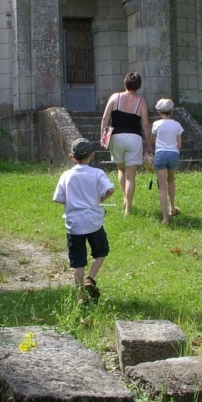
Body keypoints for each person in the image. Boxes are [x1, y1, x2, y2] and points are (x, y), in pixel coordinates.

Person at [53, 138, 115, 304]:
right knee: (101, 251)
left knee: (78, 262)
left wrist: (70, 201)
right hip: (93, 221)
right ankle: (91, 278)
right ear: (92, 155)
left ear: (72, 156)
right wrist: (100, 199)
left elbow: (58, 198)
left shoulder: (66, 175)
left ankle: (81, 297)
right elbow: (110, 188)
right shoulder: (97, 173)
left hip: (74, 224)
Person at [100, 72, 152, 215]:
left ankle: (124, 198)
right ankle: (128, 208)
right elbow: (146, 125)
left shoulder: (114, 98)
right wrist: (149, 144)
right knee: (131, 176)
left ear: (125, 84)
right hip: (134, 138)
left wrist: (102, 136)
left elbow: (105, 118)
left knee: (121, 169)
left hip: (116, 136)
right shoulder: (141, 102)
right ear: (139, 86)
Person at [151, 99, 184, 225]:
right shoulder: (177, 125)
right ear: (171, 111)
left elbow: (152, 139)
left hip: (160, 154)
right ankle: (172, 207)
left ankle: (165, 218)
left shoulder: (156, 124)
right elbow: (179, 145)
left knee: (162, 187)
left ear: (159, 111)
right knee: (171, 180)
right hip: (173, 154)